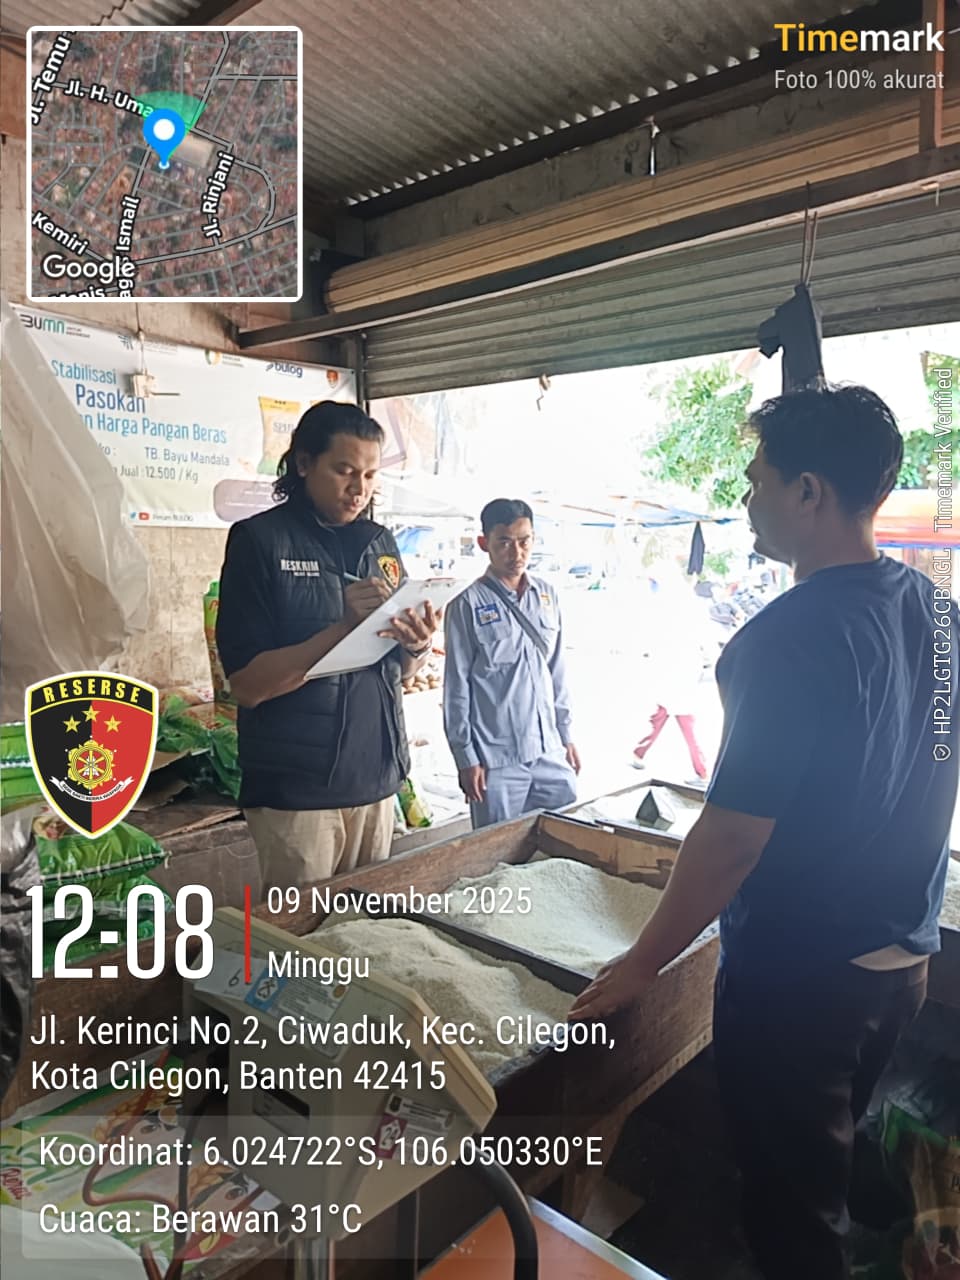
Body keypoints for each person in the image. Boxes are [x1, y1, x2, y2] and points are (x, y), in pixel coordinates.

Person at [570, 384, 959, 1280]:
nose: (746, 500)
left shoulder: (784, 639)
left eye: (757, 481)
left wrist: (640, 966)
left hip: (804, 988)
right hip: (903, 964)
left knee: (792, 1220)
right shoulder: (938, 613)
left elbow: (734, 837)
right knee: (822, 1171)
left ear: (808, 492)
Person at [215, 401, 439, 891]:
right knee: (301, 934)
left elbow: (398, 672)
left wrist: (417, 645)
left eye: (370, 475)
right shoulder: (259, 542)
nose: (359, 489)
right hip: (298, 793)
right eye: (344, 471)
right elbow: (248, 685)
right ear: (303, 463)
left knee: (365, 927)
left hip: (376, 779)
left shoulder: (380, 542)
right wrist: (342, 627)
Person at [443, 498, 580, 827]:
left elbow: (557, 671)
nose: (516, 553)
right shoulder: (466, 605)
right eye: (504, 542)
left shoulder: (547, 596)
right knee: (497, 851)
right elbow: (456, 689)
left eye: (524, 541)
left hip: (549, 751)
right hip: (496, 762)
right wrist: (466, 757)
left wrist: (566, 735)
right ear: (484, 543)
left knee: (563, 839)